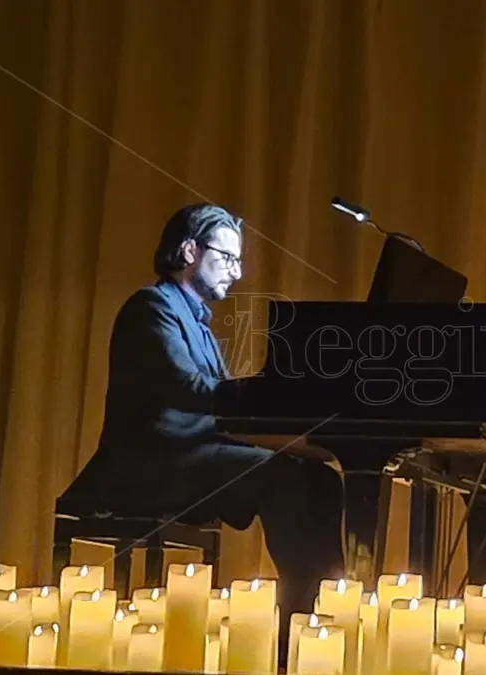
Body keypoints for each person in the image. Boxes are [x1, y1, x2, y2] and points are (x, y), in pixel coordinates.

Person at [81, 203, 344, 664]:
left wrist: (276, 412)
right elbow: (184, 387)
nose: (237, 273)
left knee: (321, 477)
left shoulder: (195, 320)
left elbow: (219, 403)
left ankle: (321, 611)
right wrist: (263, 393)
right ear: (189, 251)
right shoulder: (151, 307)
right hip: (150, 463)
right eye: (227, 258)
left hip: (188, 454)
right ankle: (293, 628)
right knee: (279, 476)